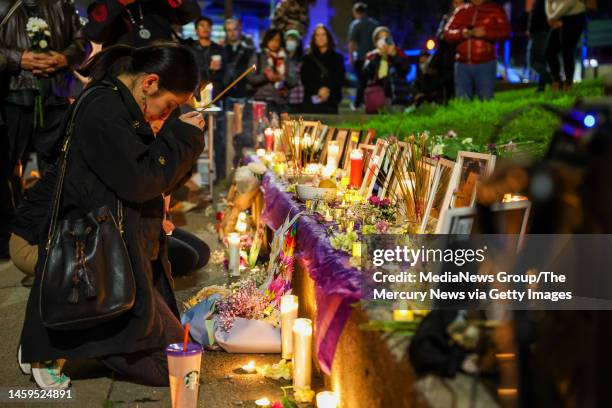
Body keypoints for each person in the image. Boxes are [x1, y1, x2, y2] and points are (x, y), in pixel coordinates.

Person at [19, 43, 205, 388]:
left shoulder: (119, 102)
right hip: (103, 255)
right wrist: (183, 137)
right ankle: (50, 346)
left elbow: (150, 178)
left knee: (185, 359)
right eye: (169, 107)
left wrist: (175, 135)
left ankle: (65, 342)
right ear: (149, 83)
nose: (165, 116)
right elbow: (141, 181)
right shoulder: (104, 109)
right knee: (175, 371)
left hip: (123, 249)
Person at [0, 0, 87, 261]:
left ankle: (57, 234)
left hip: (57, 96)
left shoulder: (61, 4)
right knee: (6, 169)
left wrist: (65, 57)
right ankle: (9, 238)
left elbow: (81, 42)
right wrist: (18, 59)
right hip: (11, 96)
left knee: (60, 166)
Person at [444, 0, 511, 100]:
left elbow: (506, 33)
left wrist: (486, 33)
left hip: (485, 63)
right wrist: (461, 33)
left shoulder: (495, 10)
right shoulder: (461, 10)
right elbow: (447, 33)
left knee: (486, 100)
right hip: (462, 64)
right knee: (462, 102)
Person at [189, 15, 227, 179]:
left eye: (208, 26)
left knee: (218, 139)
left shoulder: (219, 50)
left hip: (215, 98)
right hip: (193, 97)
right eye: (201, 25)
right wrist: (206, 72)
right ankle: (191, 177)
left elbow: (227, 76)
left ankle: (220, 177)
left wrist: (216, 72)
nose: (205, 28)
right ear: (196, 29)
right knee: (192, 137)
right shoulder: (190, 48)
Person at [84, 0, 200, 47]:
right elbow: (94, 33)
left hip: (162, 68)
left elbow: (190, 13)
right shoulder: (105, 5)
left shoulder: (154, 4)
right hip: (125, 75)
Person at [247, 28, 296, 115]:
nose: (274, 43)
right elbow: (250, 78)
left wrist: (283, 78)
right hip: (261, 101)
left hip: (281, 102)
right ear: (266, 40)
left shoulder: (286, 58)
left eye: (277, 40)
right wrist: (266, 77)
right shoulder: (258, 57)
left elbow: (294, 81)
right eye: (272, 40)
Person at [363, 27, 411, 110]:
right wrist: (377, 57)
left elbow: (406, 70)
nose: (383, 41)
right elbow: (366, 74)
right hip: (377, 97)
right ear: (375, 42)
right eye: (380, 38)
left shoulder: (398, 53)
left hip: (397, 97)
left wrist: (395, 56)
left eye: (386, 38)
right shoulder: (372, 55)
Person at [300, 24, 345, 114]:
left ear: (328, 37)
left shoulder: (337, 57)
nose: (321, 37)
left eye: (323, 34)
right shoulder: (307, 58)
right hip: (312, 101)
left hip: (331, 100)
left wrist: (327, 90)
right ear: (314, 38)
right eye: (317, 35)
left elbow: (339, 78)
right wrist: (318, 90)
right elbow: (305, 79)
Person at [545, 0, 586, 91]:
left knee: (567, 49)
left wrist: (553, 17)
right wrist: (551, 17)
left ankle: (568, 82)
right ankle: (557, 80)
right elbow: (548, 2)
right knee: (549, 51)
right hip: (558, 17)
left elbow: (570, 2)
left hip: (574, 16)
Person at [347, 2, 379, 110]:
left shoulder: (356, 24)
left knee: (361, 81)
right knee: (371, 82)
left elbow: (352, 42)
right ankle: (371, 103)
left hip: (360, 58)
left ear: (356, 12)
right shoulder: (375, 24)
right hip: (374, 58)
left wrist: (351, 57)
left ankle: (357, 104)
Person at [527, 0, 552, 92]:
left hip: (539, 33)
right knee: (541, 61)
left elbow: (536, 17)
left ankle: (552, 80)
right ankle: (542, 87)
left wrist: (531, 30)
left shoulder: (540, 2)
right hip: (543, 32)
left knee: (533, 62)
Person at [284, 29, 305, 113]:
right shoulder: (282, 57)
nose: (290, 42)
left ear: (298, 42)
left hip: (299, 99)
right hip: (284, 99)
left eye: (293, 39)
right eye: (288, 39)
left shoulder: (303, 59)